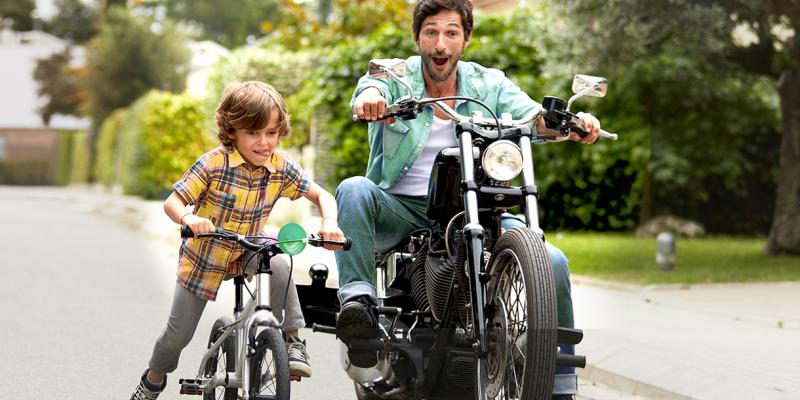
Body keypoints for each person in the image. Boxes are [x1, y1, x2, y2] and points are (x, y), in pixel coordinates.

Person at [334, 1, 600, 398]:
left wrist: (571, 120)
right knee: (353, 188)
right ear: (417, 37)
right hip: (401, 208)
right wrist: (371, 98)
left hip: (472, 208)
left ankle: (559, 381)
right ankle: (359, 304)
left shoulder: (488, 83)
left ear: (466, 39)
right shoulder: (397, 75)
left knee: (554, 260)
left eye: (452, 32)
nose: (441, 43)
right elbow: (370, 86)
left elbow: (529, 116)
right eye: (431, 32)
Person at [129, 81, 345, 400]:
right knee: (177, 337)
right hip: (205, 255)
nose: (264, 142)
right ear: (232, 131)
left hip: (248, 249)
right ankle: (153, 380)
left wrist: (330, 223)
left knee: (281, 260)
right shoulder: (214, 164)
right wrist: (190, 219)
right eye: (254, 133)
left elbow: (322, 194)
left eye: (271, 133)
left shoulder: (279, 166)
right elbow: (172, 202)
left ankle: (292, 340)